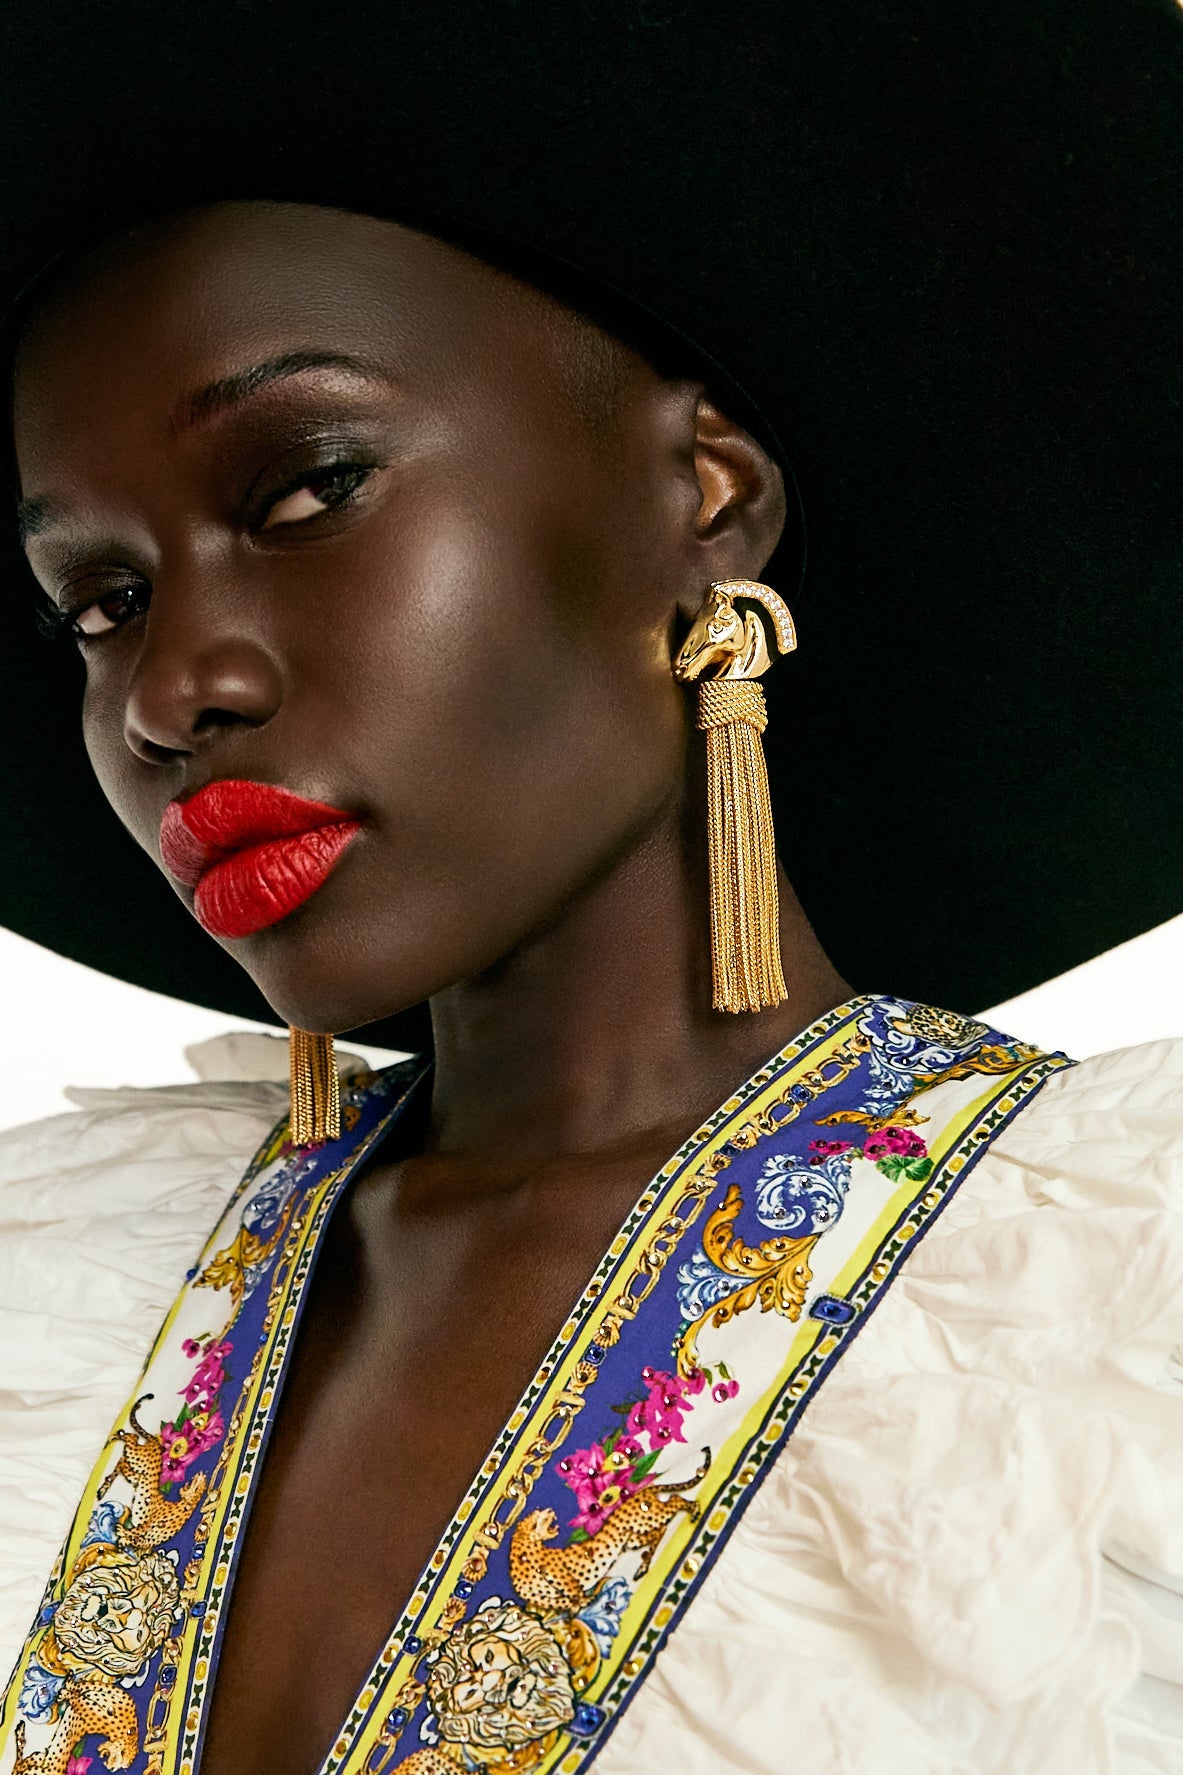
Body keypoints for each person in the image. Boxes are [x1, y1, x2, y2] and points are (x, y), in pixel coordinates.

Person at [0, 7, 1181, 1775]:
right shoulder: (49, 1295)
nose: (171, 692)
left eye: (310, 490)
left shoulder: (1117, 1311)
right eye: (102, 603)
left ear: (707, 495)